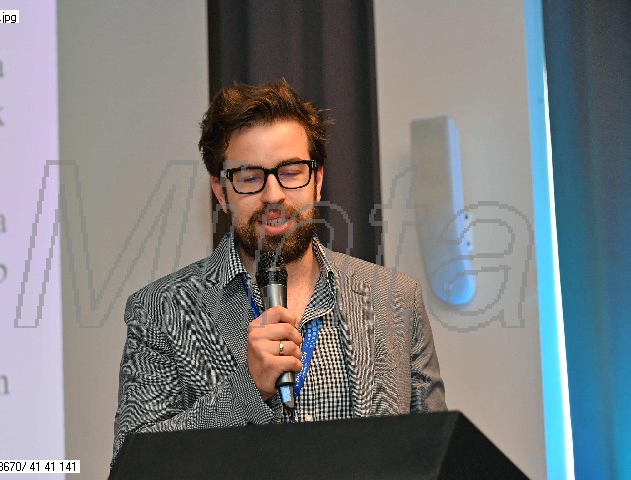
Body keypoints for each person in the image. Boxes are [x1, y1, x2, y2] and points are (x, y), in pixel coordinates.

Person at [112, 80, 445, 465]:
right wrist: (246, 391)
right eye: (250, 176)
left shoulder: (396, 298)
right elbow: (131, 465)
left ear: (317, 180)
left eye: (291, 171)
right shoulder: (160, 310)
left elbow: (436, 452)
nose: (273, 195)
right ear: (221, 192)